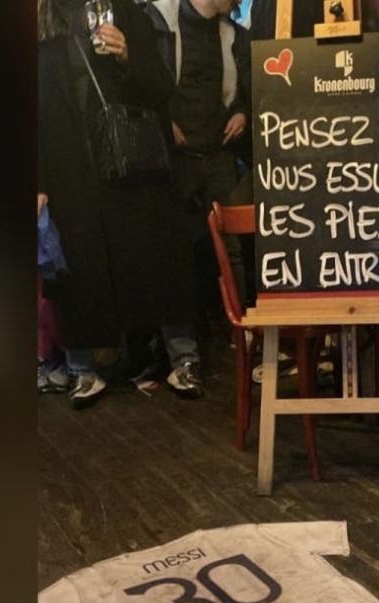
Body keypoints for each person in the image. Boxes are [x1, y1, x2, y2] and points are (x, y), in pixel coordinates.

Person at [37, 0, 198, 407]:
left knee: (156, 259)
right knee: (78, 268)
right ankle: (82, 369)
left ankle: (184, 358)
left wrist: (127, 55)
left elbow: (161, 88)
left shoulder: (126, 14)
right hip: (70, 173)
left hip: (133, 164)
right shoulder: (44, 25)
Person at [139, 0, 252, 399]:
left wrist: (242, 112)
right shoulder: (159, 22)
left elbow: (247, 89)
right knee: (175, 252)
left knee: (234, 247)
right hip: (177, 159)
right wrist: (163, 121)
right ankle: (181, 355)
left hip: (219, 154)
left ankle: (245, 336)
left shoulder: (233, 35)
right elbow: (144, 84)